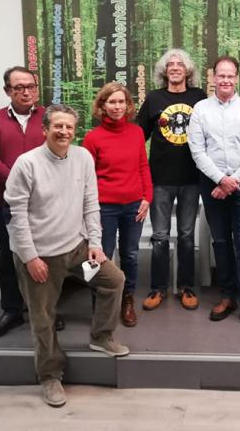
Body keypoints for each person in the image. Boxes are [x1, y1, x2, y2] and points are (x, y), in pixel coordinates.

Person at [4, 104, 129, 408]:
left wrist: (95, 243)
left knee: (113, 280)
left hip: (76, 251)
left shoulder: (82, 157)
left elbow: (90, 202)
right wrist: (30, 257)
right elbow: (17, 215)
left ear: (75, 131)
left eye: (69, 127)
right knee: (43, 318)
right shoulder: (27, 164)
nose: (64, 132)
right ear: (44, 129)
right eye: (57, 126)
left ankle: (101, 337)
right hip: (41, 257)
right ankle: (49, 375)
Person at [0, 66, 64, 340]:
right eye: (19, 88)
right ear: (8, 91)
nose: (26, 92)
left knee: (45, 259)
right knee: (7, 259)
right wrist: (19, 180)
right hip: (3, 203)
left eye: (31, 86)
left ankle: (46, 310)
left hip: (44, 205)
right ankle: (12, 311)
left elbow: (62, 149)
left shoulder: (49, 118)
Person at [187, 56, 240, 332]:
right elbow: (197, 151)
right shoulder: (200, 109)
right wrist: (221, 180)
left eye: (230, 76)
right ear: (213, 78)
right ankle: (227, 296)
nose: (225, 80)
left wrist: (233, 181)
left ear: (237, 78)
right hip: (212, 185)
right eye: (221, 75)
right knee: (220, 241)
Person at [136, 49, 207, 311]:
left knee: (187, 236)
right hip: (160, 179)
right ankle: (158, 288)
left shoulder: (199, 97)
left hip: (191, 178)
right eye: (170, 64)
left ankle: (187, 287)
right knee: (160, 236)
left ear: (188, 71)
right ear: (164, 71)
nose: (175, 68)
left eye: (180, 64)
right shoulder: (154, 99)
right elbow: (137, 136)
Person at [83, 83, 153, 327]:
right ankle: (99, 303)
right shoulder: (93, 138)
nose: (117, 106)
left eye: (121, 102)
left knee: (131, 255)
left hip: (133, 205)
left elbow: (143, 166)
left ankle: (127, 298)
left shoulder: (136, 133)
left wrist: (147, 197)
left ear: (128, 105)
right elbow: (86, 177)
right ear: (102, 106)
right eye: (111, 102)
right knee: (100, 256)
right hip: (104, 207)